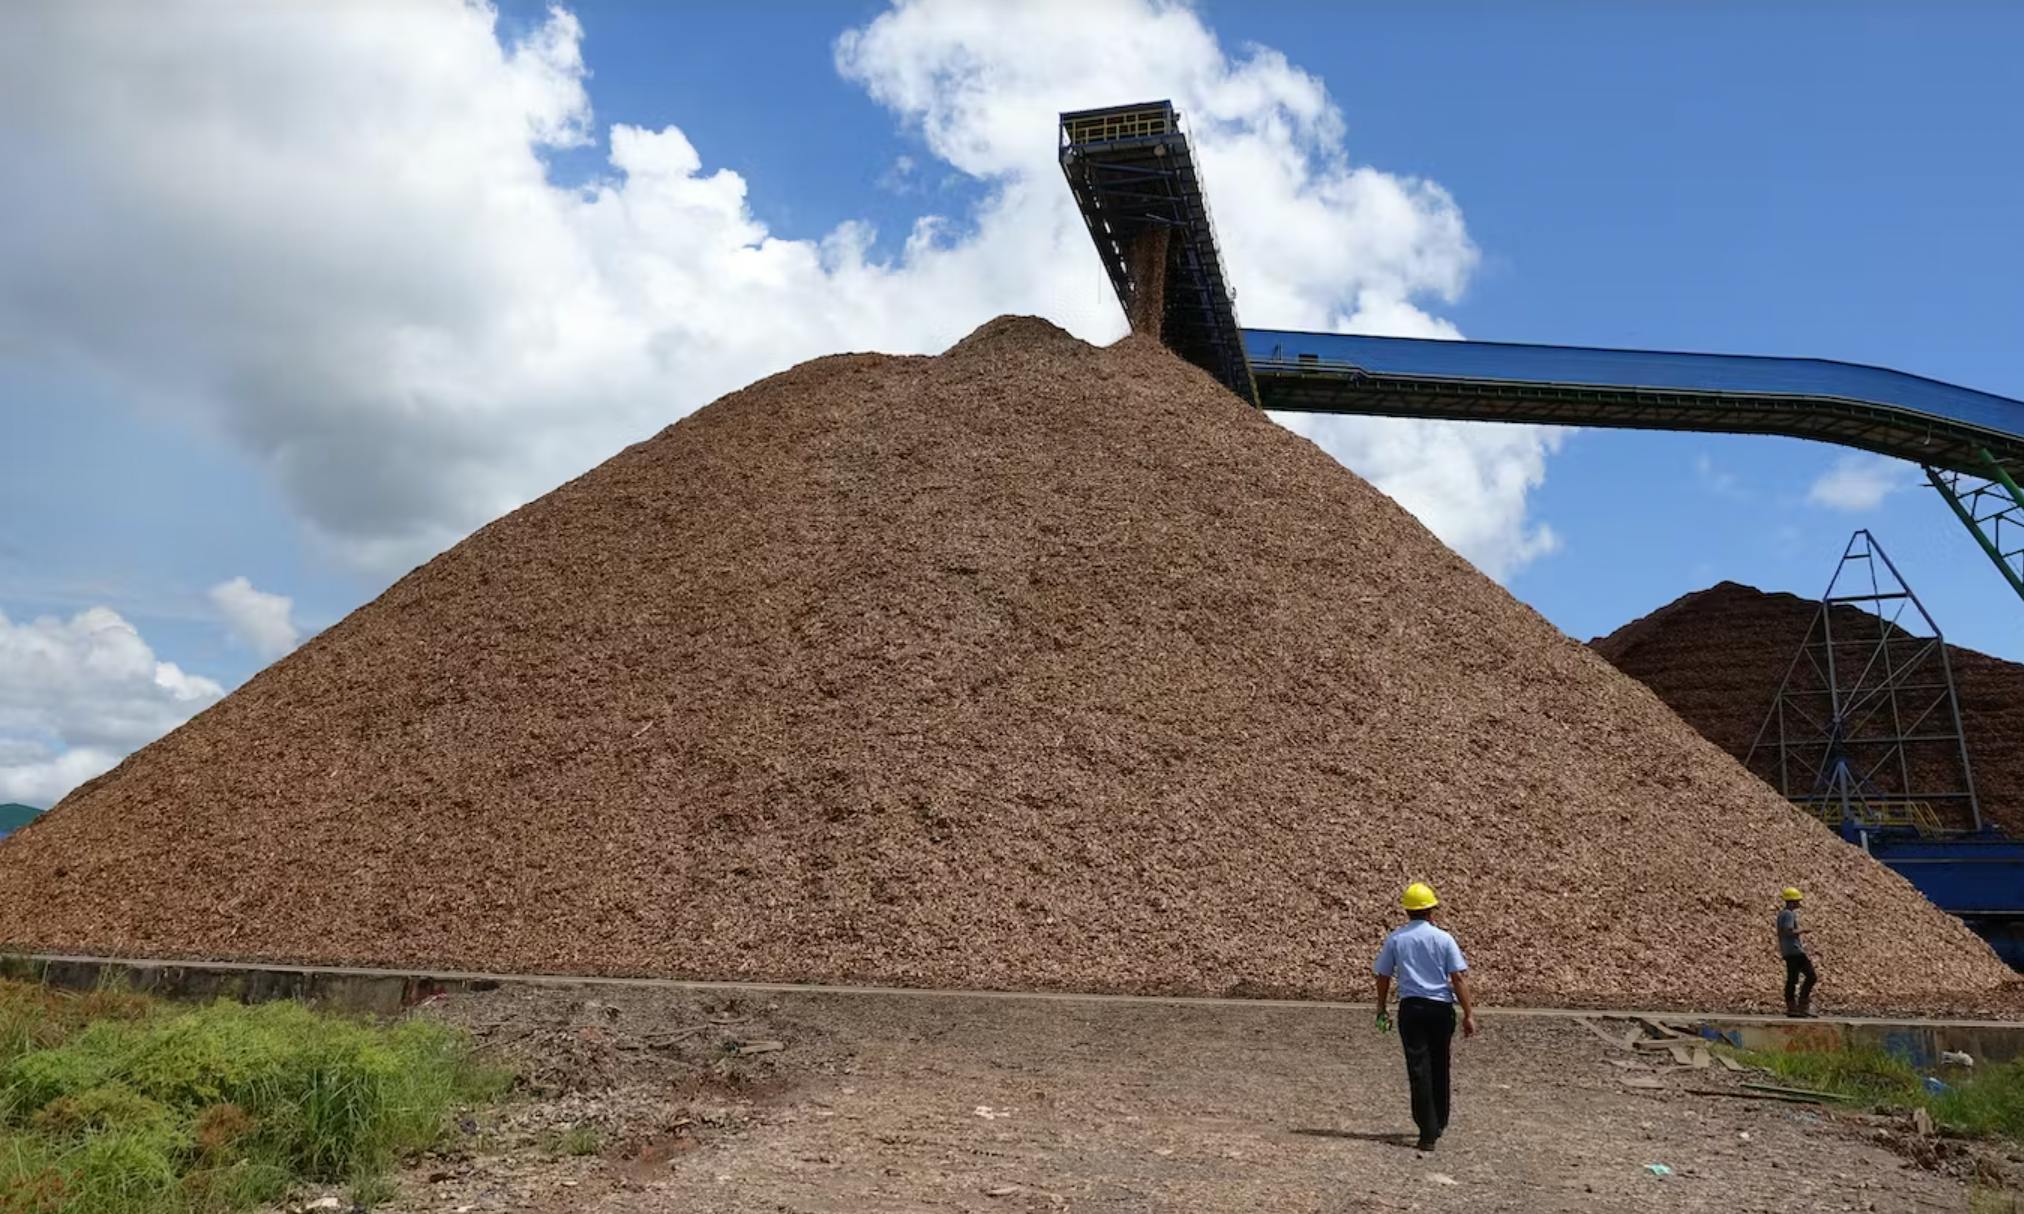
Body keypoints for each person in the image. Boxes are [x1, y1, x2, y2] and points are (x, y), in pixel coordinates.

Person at [1372, 881, 1476, 1152]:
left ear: (1407, 912)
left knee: (1418, 1068)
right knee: (1440, 1063)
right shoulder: (1444, 939)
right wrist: (1468, 1013)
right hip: (1440, 1009)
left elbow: (1383, 976)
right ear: (1431, 910)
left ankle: (1426, 1129)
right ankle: (1439, 1121)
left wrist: (1381, 1007)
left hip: (1412, 1008)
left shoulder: (1396, 939)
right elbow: (1459, 978)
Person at [1779, 886, 1818, 1018]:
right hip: (1794, 951)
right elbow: (1787, 931)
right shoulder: (1788, 914)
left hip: (1789, 951)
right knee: (1810, 976)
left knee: (1793, 978)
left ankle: (1794, 1007)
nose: (1798, 903)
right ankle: (1801, 1005)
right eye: (1797, 901)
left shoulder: (1783, 914)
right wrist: (1803, 931)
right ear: (1791, 901)